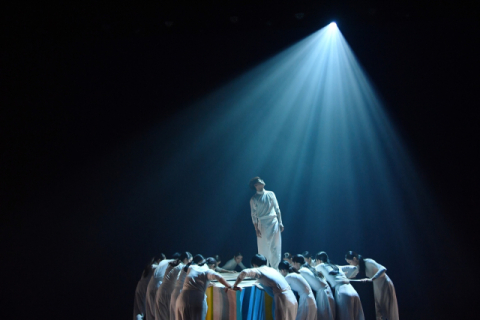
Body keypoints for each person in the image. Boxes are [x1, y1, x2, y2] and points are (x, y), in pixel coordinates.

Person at [233, 254, 298, 320]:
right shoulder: (272, 270)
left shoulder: (260, 270)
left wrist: (235, 285)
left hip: (283, 300)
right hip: (292, 298)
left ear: (254, 265)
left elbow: (244, 272)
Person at [345, 251, 399, 320]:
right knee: (378, 310)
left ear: (355, 259)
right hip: (377, 287)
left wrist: (372, 278)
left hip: (384, 284)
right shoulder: (359, 266)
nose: (350, 265)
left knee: (387, 308)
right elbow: (351, 276)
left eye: (350, 262)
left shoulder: (368, 261)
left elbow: (383, 268)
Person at [175, 255, 232, 320]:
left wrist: (206, 283)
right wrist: (229, 286)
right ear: (212, 266)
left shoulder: (192, 267)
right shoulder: (208, 271)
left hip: (182, 300)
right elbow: (218, 276)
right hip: (196, 301)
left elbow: (194, 279)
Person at [316, 252, 365, 320]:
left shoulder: (320, 266)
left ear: (319, 260)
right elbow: (353, 268)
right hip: (352, 290)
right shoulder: (335, 266)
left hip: (342, 292)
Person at [249, 177, 284, 269]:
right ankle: (264, 270)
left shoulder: (271, 193)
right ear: (255, 185)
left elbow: (277, 209)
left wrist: (280, 222)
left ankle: (276, 269)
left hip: (274, 221)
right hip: (262, 223)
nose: (262, 181)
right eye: (260, 181)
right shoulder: (254, 199)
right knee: (264, 247)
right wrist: (256, 228)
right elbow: (254, 215)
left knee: (275, 247)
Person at [292, 254, 335, 320]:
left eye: (292, 264)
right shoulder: (309, 268)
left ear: (295, 263)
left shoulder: (302, 271)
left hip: (322, 294)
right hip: (327, 291)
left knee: (323, 316)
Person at [155, 252, 193, 320]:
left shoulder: (174, 264)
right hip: (169, 293)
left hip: (160, 291)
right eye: (190, 261)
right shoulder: (182, 267)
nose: (190, 263)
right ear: (185, 259)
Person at [145, 254, 167, 320]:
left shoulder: (151, 266)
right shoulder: (155, 267)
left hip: (150, 288)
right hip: (154, 288)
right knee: (155, 311)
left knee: (151, 311)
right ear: (159, 260)